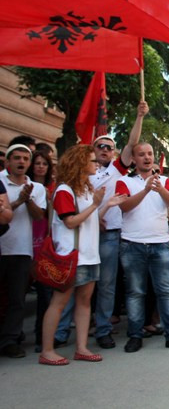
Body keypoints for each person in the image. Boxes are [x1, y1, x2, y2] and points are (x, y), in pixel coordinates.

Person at [57, 102, 147, 349]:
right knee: (70, 285)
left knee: (106, 286)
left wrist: (139, 116)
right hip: (80, 235)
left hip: (108, 236)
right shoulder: (80, 176)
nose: (105, 150)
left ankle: (103, 330)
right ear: (92, 150)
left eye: (110, 147)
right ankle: (61, 331)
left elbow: (131, 143)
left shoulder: (117, 170)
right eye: (100, 146)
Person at [39, 145, 123, 365]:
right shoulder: (64, 190)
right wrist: (95, 204)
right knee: (59, 303)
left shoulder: (85, 189)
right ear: (80, 163)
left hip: (89, 255)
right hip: (71, 256)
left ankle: (82, 348)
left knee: (84, 303)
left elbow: (90, 219)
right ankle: (47, 350)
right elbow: (70, 222)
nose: (97, 163)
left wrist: (105, 205)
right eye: (93, 160)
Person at [116, 143, 169, 352]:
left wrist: (158, 189)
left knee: (166, 291)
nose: (147, 157)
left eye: (150, 154)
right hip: (132, 244)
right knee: (135, 292)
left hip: (160, 244)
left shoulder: (164, 181)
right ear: (133, 159)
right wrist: (145, 190)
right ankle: (135, 335)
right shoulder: (124, 181)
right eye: (141, 154)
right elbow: (124, 206)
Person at [0, 144, 46, 358]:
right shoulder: (1, 182)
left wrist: (27, 200)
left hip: (21, 249)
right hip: (2, 246)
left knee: (17, 299)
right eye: (17, 158)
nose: (21, 162)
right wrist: (18, 200)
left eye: (25, 159)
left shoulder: (36, 188)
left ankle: (10, 340)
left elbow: (38, 216)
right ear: (8, 161)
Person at [26, 151, 55, 353]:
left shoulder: (53, 188)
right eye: (37, 163)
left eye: (44, 163)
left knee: (45, 295)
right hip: (24, 243)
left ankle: (40, 338)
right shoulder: (23, 185)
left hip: (45, 245)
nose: (41, 167)